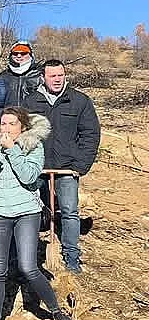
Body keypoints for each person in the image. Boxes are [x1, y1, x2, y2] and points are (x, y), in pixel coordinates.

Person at [0, 107, 76, 320]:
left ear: (22, 127)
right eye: (3, 123)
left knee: (28, 266)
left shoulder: (33, 147)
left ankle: (57, 311)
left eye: (12, 124)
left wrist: (12, 151)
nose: (6, 128)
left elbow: (29, 176)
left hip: (26, 211)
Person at [24, 60, 101, 273]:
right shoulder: (31, 102)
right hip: (37, 167)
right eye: (52, 76)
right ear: (43, 78)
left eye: (60, 75)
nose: (57, 79)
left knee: (69, 211)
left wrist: (81, 165)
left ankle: (71, 256)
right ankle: (29, 253)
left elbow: (90, 134)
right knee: (31, 211)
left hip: (68, 167)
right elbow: (20, 132)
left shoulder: (79, 101)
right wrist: (27, 162)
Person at [0, 41, 43, 108]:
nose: (19, 56)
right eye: (15, 53)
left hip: (32, 116)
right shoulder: (2, 76)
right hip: (9, 116)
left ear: (30, 55)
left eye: (23, 53)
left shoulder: (39, 74)